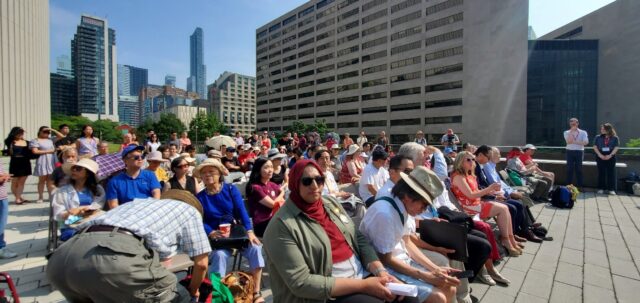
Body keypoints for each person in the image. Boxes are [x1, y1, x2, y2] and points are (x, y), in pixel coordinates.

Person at [263, 159, 405, 303]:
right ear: (294, 183)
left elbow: (358, 238)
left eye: (319, 179)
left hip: (362, 275)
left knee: (408, 297)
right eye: (306, 181)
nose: (314, 186)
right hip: (328, 291)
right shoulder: (281, 226)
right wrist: (364, 286)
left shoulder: (330, 203)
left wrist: (381, 272)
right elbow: (301, 283)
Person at [47, 190, 211, 302]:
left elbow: (68, 223)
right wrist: (193, 290)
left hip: (61, 259)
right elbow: (202, 264)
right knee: (178, 293)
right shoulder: (189, 211)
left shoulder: (136, 204)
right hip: (112, 257)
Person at [360, 166, 459, 303]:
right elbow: (385, 259)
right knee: (438, 298)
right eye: (423, 205)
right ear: (407, 196)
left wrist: (435, 269)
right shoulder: (385, 214)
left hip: (401, 262)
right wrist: (426, 275)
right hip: (383, 269)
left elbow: (407, 242)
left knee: (450, 287)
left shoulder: (402, 206)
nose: (424, 210)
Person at [194, 160, 266, 303]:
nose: (208, 175)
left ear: (219, 174)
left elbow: (242, 211)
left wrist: (250, 231)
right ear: (200, 177)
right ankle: (219, 296)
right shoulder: (200, 197)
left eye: (211, 172)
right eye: (204, 173)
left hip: (236, 234)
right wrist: (210, 231)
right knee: (219, 255)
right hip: (217, 237)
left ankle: (256, 292)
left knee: (256, 248)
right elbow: (199, 220)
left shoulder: (230, 189)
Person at [451, 152, 522, 256]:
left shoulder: (469, 174)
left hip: (475, 204)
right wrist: (489, 188)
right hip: (468, 208)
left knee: (505, 208)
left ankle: (510, 239)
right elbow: (471, 195)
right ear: (460, 162)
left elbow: (476, 192)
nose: (472, 162)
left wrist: (491, 192)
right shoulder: (458, 177)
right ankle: (506, 240)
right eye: (468, 160)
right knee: (502, 209)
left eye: (472, 159)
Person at [475, 146, 541, 243]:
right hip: (489, 197)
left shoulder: (484, 166)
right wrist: (501, 194)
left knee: (518, 203)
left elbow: (492, 184)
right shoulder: (482, 167)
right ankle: (517, 232)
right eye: (496, 154)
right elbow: (489, 185)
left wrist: (507, 191)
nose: (500, 156)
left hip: (494, 194)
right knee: (515, 205)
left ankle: (523, 229)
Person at [52, 159, 105, 241]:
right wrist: (71, 214)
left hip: (92, 222)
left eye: (78, 168)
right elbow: (59, 216)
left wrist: (80, 209)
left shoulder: (98, 189)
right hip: (69, 224)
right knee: (81, 235)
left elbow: (98, 206)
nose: (74, 170)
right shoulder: (62, 191)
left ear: (88, 173)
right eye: (73, 168)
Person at [246, 158, 285, 237]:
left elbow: (282, 203)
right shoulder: (255, 188)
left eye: (271, 167)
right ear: (258, 169)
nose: (270, 170)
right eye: (266, 167)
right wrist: (282, 193)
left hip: (275, 219)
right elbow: (273, 204)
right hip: (262, 224)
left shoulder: (272, 184)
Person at [4, 127, 31, 204]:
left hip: (25, 162)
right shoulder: (10, 142)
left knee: (21, 182)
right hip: (15, 162)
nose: (20, 134)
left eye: (22, 133)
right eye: (18, 133)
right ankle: (18, 197)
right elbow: (7, 139)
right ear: (14, 133)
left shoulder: (27, 142)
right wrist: (15, 132)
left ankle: (18, 199)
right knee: (14, 182)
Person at [31, 126, 58, 203]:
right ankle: (40, 197)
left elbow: (62, 136)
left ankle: (50, 196)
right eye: (44, 131)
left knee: (50, 180)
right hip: (42, 160)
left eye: (48, 132)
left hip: (51, 160)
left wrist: (52, 129)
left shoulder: (50, 140)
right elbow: (35, 151)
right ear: (39, 131)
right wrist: (49, 151)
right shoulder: (35, 140)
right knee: (42, 180)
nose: (46, 133)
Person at [593, 123, 620, 195]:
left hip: (611, 155)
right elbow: (595, 147)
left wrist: (610, 155)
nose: (601, 130)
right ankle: (601, 188)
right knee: (601, 172)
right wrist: (600, 155)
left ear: (608, 130)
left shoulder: (615, 138)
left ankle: (611, 189)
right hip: (600, 155)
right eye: (601, 129)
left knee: (611, 173)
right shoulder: (598, 137)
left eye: (603, 129)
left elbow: (616, 147)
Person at [564, 118, 589, 188]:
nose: (573, 125)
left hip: (579, 152)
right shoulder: (566, 132)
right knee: (569, 169)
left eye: (575, 124)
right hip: (569, 152)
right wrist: (571, 131)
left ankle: (580, 186)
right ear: (570, 124)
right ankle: (568, 186)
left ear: (578, 124)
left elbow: (586, 142)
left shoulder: (583, 132)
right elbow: (568, 142)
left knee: (579, 169)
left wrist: (575, 142)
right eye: (572, 124)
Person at [0, 165, 17, 258]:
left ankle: (1, 247)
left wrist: (4, 177)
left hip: (2, 196)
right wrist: (3, 178)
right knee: (1, 225)